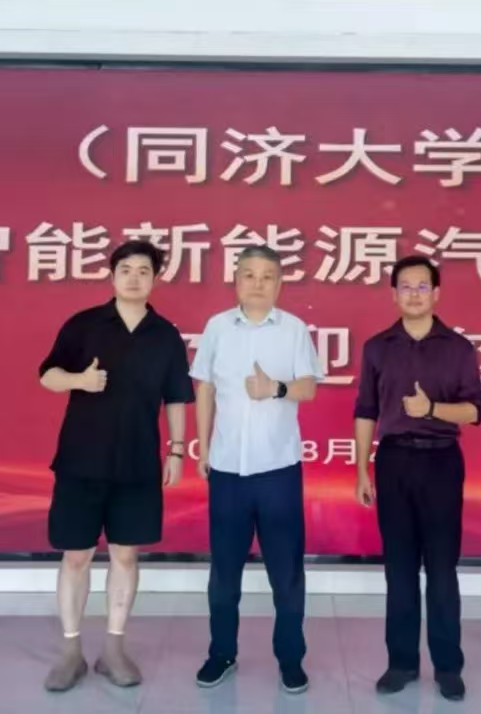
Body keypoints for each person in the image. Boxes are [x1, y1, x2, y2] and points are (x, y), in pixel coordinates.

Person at [37, 240, 194, 692]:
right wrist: (80, 380)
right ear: (112, 275)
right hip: (81, 460)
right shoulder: (84, 325)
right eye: (126, 269)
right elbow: (47, 374)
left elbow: (176, 397)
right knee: (76, 556)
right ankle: (70, 652)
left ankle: (113, 650)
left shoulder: (165, 335)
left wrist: (177, 451)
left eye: (143, 271)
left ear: (155, 279)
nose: (134, 278)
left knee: (126, 554)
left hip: (138, 463)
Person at [189, 245, 324, 694]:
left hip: (278, 470)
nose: (258, 283)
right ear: (236, 280)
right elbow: (205, 388)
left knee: (286, 572)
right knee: (224, 572)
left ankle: (290, 658)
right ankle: (221, 653)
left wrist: (276, 389)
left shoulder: (293, 328)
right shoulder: (216, 327)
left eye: (268, 276)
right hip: (227, 469)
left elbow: (309, 388)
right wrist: (203, 447)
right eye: (249, 274)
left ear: (280, 283)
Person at [353, 255, 481, 702]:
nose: (414, 294)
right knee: (400, 569)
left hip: (441, 463)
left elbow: (474, 411)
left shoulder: (458, 348)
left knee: (442, 569)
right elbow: (366, 410)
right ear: (394, 294)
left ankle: (448, 666)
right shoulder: (377, 347)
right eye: (406, 287)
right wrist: (362, 469)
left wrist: (431, 409)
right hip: (393, 462)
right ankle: (402, 663)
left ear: (436, 293)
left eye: (422, 286)